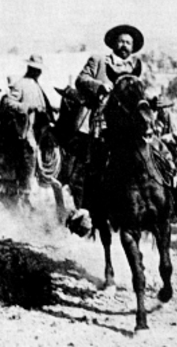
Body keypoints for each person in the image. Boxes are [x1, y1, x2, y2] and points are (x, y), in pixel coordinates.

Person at [74, 24, 143, 217]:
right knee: (96, 162)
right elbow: (80, 80)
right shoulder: (99, 60)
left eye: (128, 43)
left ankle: (176, 201)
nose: (124, 45)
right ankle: (87, 210)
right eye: (121, 41)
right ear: (113, 43)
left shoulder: (135, 67)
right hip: (102, 120)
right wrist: (99, 86)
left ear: (133, 47)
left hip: (129, 124)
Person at [0, 54, 54, 209]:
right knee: (27, 165)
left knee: (36, 164)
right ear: (30, 68)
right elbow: (9, 102)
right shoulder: (21, 84)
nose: (38, 72)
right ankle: (23, 199)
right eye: (36, 69)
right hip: (25, 134)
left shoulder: (37, 86)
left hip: (38, 132)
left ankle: (27, 197)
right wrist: (26, 107)